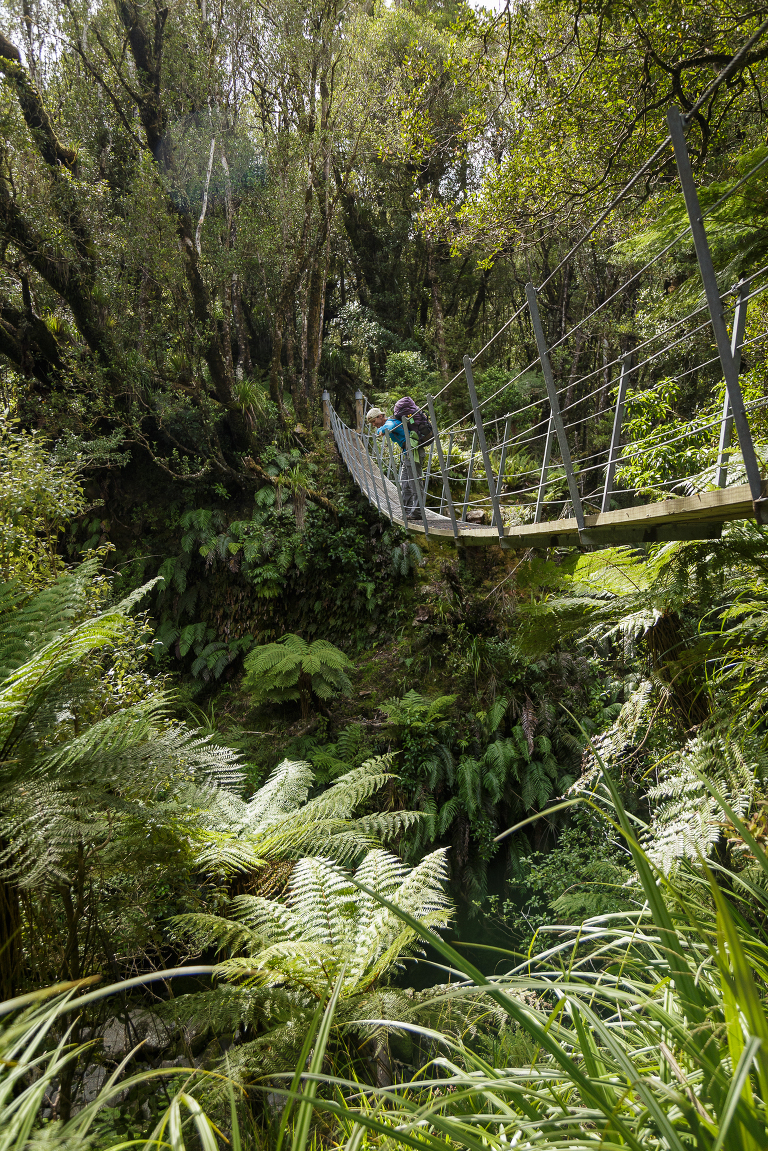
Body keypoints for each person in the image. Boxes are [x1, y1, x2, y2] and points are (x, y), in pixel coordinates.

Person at [365, 406, 423, 520]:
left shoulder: (391, 422)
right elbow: (381, 429)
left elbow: (389, 427)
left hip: (414, 453)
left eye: (373, 421)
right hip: (407, 453)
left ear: (380, 416)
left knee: (414, 484)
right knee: (405, 484)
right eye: (371, 423)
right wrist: (379, 430)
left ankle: (417, 513)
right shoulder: (388, 423)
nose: (373, 424)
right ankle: (406, 511)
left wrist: (381, 430)